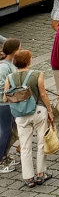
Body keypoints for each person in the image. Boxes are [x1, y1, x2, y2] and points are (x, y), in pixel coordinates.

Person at [3, 49, 54, 187]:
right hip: (38, 111)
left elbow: (5, 97)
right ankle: (41, 174)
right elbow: (43, 95)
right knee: (41, 143)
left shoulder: (9, 77)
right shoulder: (38, 74)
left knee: (25, 147)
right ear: (28, 61)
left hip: (20, 116)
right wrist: (50, 111)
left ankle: (28, 178)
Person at [0, 38, 21, 173]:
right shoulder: (3, 66)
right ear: (14, 50)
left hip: (10, 102)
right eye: (19, 48)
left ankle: (4, 155)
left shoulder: (10, 63)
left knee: (10, 130)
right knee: (5, 131)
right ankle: (1, 160)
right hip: (3, 104)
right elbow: (2, 85)